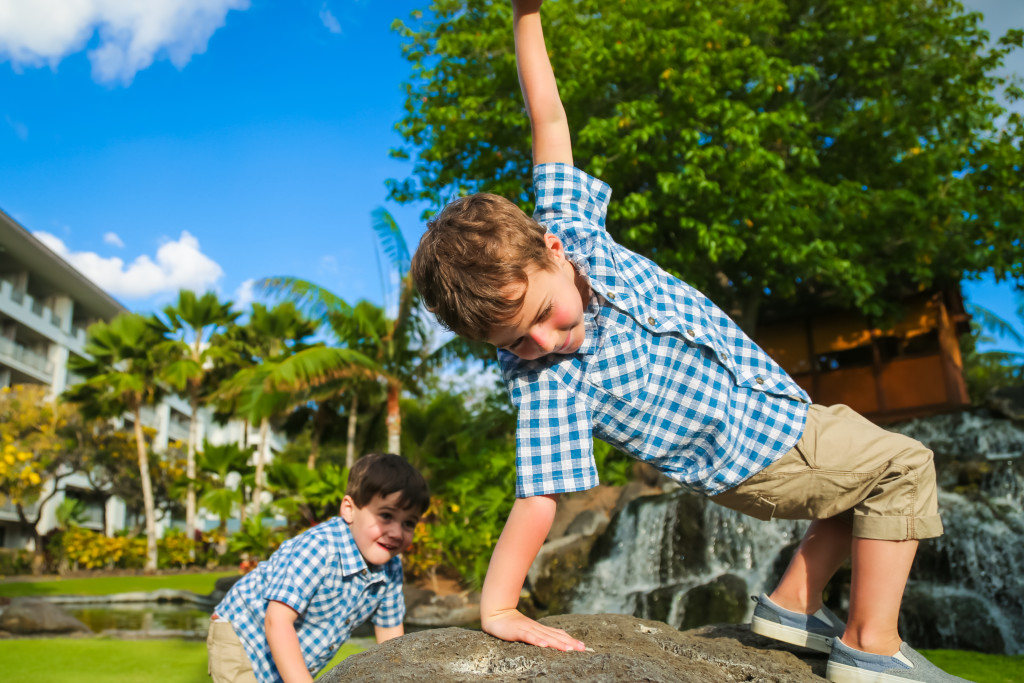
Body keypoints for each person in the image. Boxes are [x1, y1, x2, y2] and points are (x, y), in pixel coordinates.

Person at [409, 2, 968, 681]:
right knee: (903, 467)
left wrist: (527, 14)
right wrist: (498, 606)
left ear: (552, 250)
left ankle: (794, 602)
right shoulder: (549, 381)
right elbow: (536, 497)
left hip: (780, 408)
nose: (543, 340)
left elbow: (547, 119)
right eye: (515, 341)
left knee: (863, 478)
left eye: (541, 313)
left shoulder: (571, 224)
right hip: (757, 449)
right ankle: (872, 648)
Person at [207, 453, 428, 683]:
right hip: (242, 636)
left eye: (408, 523)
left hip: (291, 648)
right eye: (386, 516)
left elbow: (391, 638)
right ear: (349, 509)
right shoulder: (320, 549)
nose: (396, 532)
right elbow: (277, 620)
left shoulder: (391, 568)